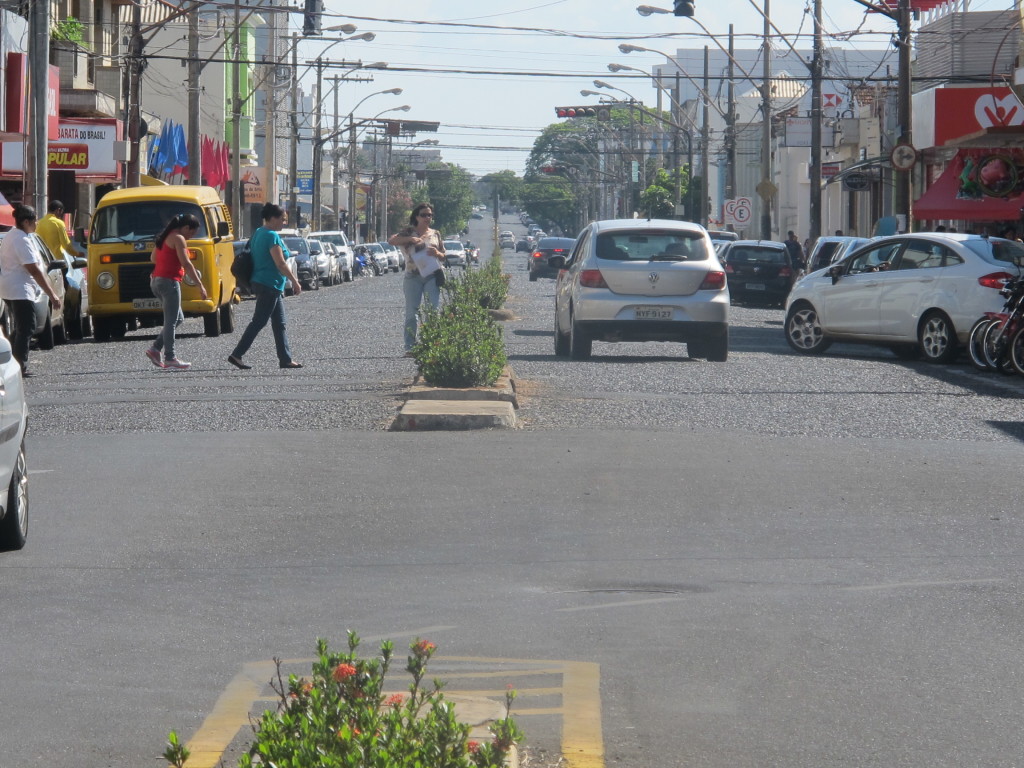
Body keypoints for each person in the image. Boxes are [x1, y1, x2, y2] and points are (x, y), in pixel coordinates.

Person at [228, 202, 303, 370]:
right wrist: (295, 281)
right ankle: (237, 354)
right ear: (273, 218)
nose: (284, 222)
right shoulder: (271, 236)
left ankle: (285, 359)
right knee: (259, 321)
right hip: (269, 283)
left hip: (265, 283)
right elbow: (280, 263)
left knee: (279, 323)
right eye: (282, 219)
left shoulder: (258, 232)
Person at [0, 205, 63, 375]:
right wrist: (52, 295)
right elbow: (34, 270)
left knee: (23, 327)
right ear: (26, 222)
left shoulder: (13, 235)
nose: (37, 224)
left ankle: (9, 358)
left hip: (12, 288)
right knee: (27, 327)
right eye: (34, 221)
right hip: (20, 289)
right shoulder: (21, 240)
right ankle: (19, 365)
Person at [146, 213, 207, 370]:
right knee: (171, 321)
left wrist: (169, 261)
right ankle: (170, 357)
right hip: (169, 282)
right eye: (191, 233)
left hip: (156, 281)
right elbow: (186, 263)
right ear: (186, 227)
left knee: (178, 318)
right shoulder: (179, 238)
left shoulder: (165, 236)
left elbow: (153, 258)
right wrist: (200, 285)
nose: (190, 237)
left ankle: (155, 349)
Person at [389, 202, 445, 355]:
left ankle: (430, 345)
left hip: (432, 276)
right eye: (423, 215)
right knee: (411, 313)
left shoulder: (435, 234)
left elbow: (443, 255)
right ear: (416, 217)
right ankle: (410, 347)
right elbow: (392, 241)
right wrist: (411, 239)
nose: (427, 218)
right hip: (412, 276)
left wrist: (437, 254)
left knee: (432, 311)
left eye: (429, 215)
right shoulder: (408, 232)